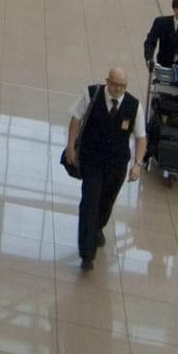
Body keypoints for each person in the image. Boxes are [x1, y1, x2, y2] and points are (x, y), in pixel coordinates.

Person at [63, 67, 142, 270]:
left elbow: (141, 137)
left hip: (116, 166)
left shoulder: (134, 106)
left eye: (122, 86)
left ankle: (97, 228)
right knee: (90, 201)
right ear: (107, 81)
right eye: (114, 84)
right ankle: (87, 253)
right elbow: (75, 119)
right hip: (92, 161)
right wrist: (71, 146)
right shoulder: (91, 94)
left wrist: (138, 164)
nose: (117, 89)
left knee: (105, 202)